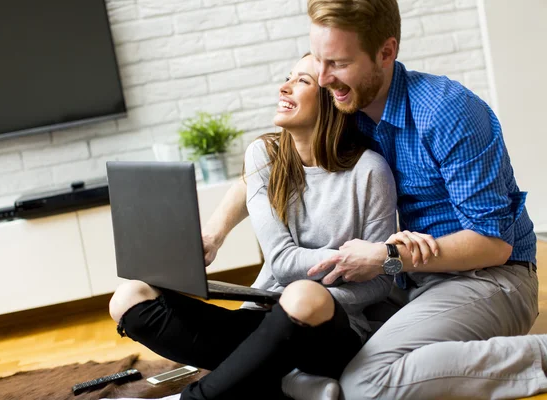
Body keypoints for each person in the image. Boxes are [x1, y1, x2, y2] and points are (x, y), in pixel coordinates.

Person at [201, 0, 545, 399]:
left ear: (386, 52)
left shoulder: (448, 112)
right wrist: (214, 234)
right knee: (298, 346)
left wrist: (386, 256)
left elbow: (494, 244)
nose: (324, 78)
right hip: (409, 279)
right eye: (318, 60)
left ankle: (539, 355)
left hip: (489, 278)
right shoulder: (348, 105)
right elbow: (269, 167)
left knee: (366, 384)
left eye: (338, 64)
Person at [107, 54, 400, 400]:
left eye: (302, 81)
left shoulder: (370, 172)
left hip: (332, 327)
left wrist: (318, 296)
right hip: (264, 313)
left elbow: (382, 279)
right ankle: (285, 381)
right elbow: (281, 261)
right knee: (128, 299)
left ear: (331, 100)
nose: (284, 86)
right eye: (288, 77)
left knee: (303, 296)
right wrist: (345, 263)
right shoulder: (265, 156)